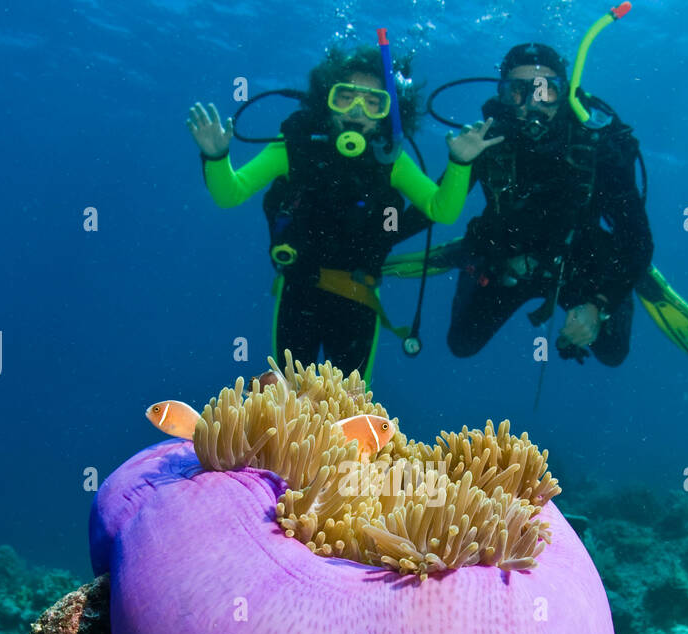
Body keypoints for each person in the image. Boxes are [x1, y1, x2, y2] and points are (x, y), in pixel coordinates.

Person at [186, 44, 502, 382]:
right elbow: (230, 194)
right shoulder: (294, 145)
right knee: (286, 400)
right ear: (326, 97)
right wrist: (216, 156)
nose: (357, 110)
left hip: (358, 295)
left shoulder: (390, 157)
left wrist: (461, 162)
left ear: (388, 111)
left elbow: (442, 209)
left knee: (352, 416)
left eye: (373, 102)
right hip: (298, 290)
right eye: (345, 97)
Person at [398, 42, 654, 366]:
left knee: (613, 352)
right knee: (461, 344)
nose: (532, 102)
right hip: (506, 259)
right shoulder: (488, 139)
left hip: (577, 261)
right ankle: (469, 255)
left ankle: (626, 276)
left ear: (565, 94)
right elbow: (432, 207)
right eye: (517, 91)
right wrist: (378, 238)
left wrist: (599, 304)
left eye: (546, 90)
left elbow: (638, 239)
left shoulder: (597, 146)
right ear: (504, 95)